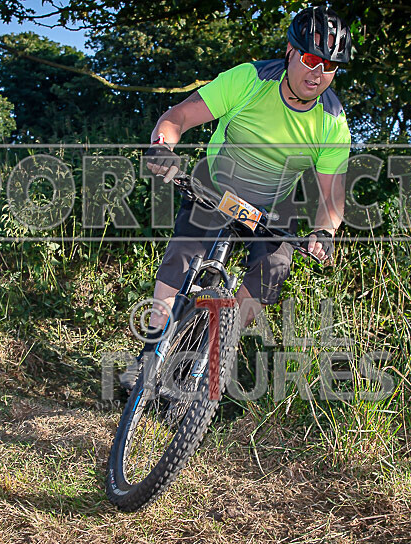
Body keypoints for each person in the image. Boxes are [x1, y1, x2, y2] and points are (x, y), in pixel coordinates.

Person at [120, 5, 353, 390]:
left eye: (329, 66)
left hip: (272, 201)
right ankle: (150, 353)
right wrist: (163, 146)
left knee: (274, 271)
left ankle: (211, 346)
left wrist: (324, 232)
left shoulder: (332, 122)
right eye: (312, 59)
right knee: (183, 255)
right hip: (218, 183)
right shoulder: (249, 78)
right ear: (292, 52)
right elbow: (177, 118)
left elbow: (331, 200)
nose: (318, 73)